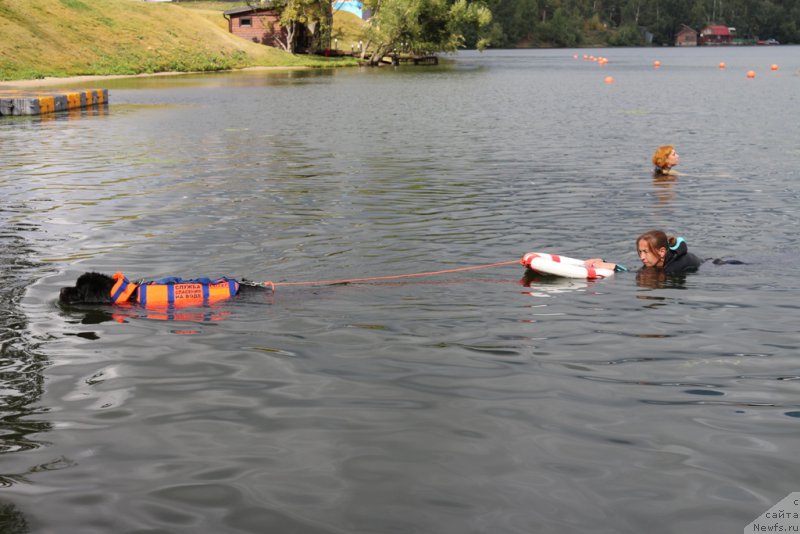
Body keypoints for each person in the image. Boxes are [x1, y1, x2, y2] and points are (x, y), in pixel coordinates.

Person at [584, 230, 703, 274]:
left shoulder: (671, 268)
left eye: (645, 252)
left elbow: (631, 274)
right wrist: (603, 262)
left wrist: (611, 266)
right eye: (640, 252)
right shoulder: (660, 259)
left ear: (661, 252)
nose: (642, 257)